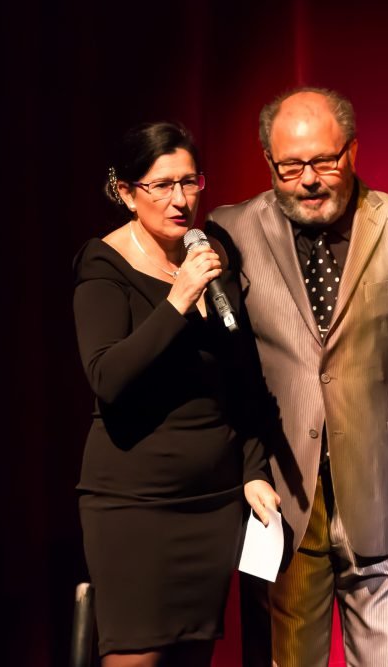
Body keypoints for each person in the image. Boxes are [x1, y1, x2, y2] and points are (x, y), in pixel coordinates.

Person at [206, 88, 388, 666]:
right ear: (269, 162)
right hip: (282, 499)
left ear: (353, 151)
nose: (309, 179)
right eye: (292, 166)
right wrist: (239, 466)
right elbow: (221, 367)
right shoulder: (231, 231)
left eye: (325, 161)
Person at [73, 121, 280, 667]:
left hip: (212, 503)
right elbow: (108, 378)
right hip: (136, 504)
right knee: (137, 659)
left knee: (192, 658)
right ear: (125, 192)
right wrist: (178, 299)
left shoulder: (210, 258)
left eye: (190, 182)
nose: (180, 199)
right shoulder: (103, 266)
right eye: (161, 185)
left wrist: (254, 470)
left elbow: (244, 380)